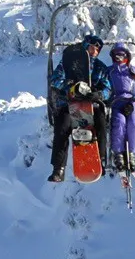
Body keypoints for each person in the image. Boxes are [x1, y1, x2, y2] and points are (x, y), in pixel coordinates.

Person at [45, 34, 111, 183]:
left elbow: (108, 89)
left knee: (100, 123)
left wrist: (98, 94)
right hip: (69, 104)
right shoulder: (67, 64)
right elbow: (55, 80)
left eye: (98, 49)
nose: (95, 51)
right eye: (92, 47)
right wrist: (70, 88)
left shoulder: (100, 68)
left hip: (91, 105)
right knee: (62, 127)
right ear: (85, 47)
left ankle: (101, 160)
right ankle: (58, 168)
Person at [105, 41, 135, 174]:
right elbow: (106, 88)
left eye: (122, 55)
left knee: (134, 122)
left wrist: (134, 103)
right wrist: (109, 101)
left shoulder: (132, 71)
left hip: (131, 102)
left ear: (127, 56)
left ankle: (131, 153)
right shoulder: (110, 71)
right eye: (116, 55)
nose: (119, 57)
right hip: (116, 103)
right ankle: (118, 153)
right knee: (119, 122)